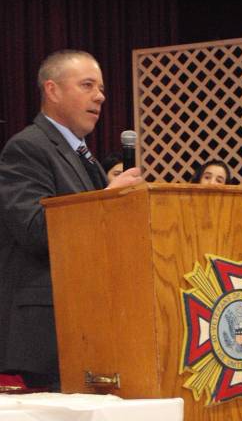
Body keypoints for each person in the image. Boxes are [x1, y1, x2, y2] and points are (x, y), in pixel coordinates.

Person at [0, 50, 142, 389]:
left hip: (87, 321)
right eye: (87, 85)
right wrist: (107, 199)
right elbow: (35, 229)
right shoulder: (27, 147)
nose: (100, 96)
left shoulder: (81, 154)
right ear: (52, 90)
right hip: (47, 331)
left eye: (102, 88)